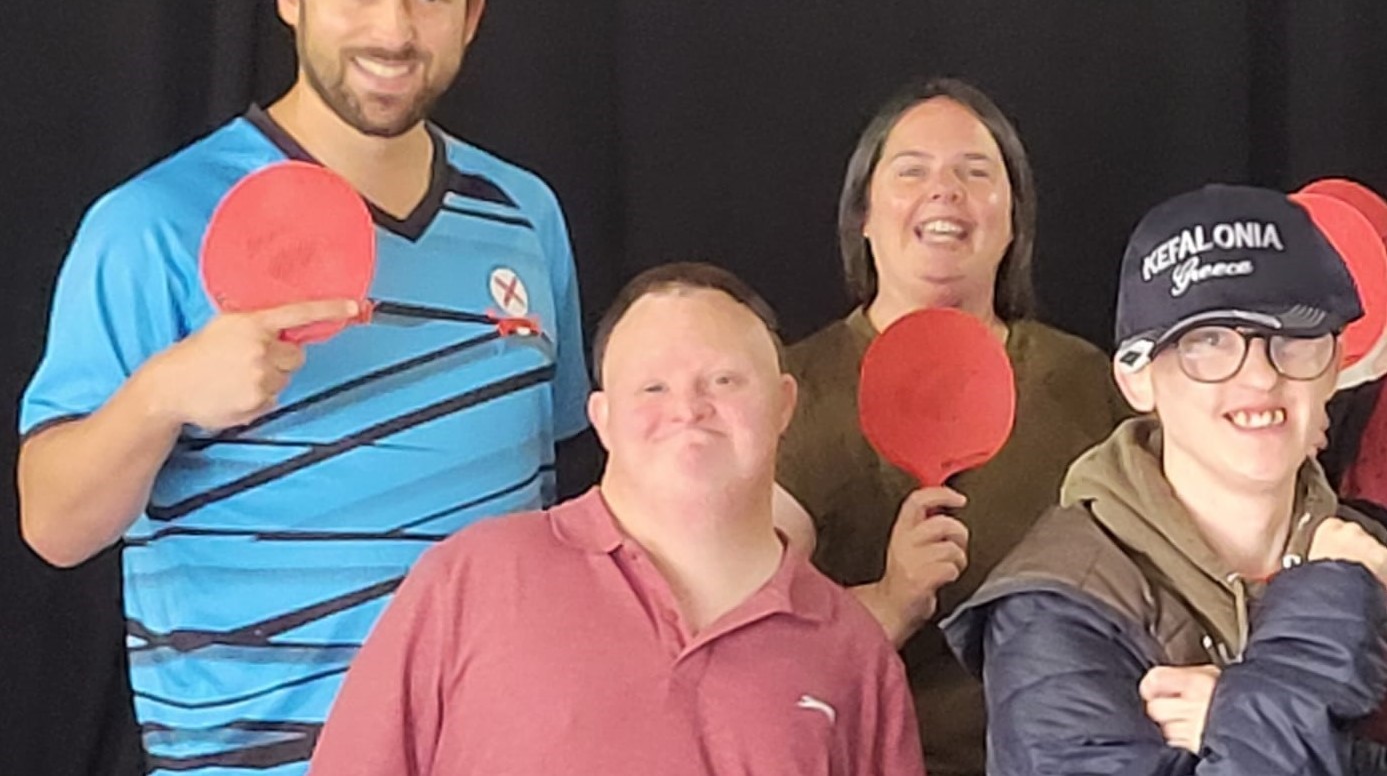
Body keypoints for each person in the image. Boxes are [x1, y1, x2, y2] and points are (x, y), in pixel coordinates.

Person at [16, 0, 589, 775]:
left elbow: (555, 499)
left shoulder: (523, 216)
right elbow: (52, 525)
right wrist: (164, 393)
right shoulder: (154, 225)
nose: (393, 30)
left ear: (471, 15)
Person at [308, 263, 925, 776]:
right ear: (600, 418)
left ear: (784, 404)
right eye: (652, 387)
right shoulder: (470, 580)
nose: (688, 408)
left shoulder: (852, 653)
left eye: (724, 379)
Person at [944, 184, 1387, 775]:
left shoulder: (1371, 554)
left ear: (1334, 364)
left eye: (1291, 338)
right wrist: (1312, 635)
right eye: (1209, 342)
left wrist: (1236, 718)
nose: (1258, 376)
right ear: (1137, 378)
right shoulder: (1058, 607)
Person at [774, 77, 1130, 775]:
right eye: (911, 171)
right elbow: (746, 651)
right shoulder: (786, 391)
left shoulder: (1092, 385)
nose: (945, 192)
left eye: (975, 172)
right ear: (864, 217)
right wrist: (890, 601)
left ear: (1012, 218)